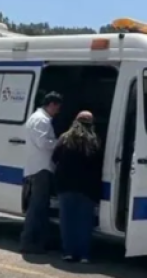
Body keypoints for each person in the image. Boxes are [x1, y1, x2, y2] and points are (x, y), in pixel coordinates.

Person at [52, 111, 102, 263]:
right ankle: (84, 255)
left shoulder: (64, 138)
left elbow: (54, 158)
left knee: (67, 221)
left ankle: (69, 252)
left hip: (66, 186)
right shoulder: (95, 141)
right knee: (85, 223)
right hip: (87, 188)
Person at [20, 91, 63, 254]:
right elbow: (43, 143)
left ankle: (41, 240)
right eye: (57, 108)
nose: (57, 112)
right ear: (51, 104)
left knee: (42, 207)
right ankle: (27, 241)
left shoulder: (38, 118)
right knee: (37, 207)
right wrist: (60, 142)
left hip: (39, 167)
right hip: (41, 169)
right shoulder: (41, 120)